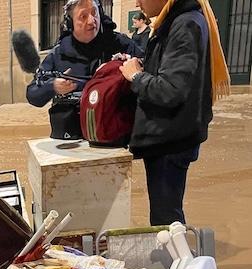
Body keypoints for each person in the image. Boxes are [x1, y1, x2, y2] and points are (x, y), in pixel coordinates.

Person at [120, 0, 230, 225]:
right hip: (171, 135)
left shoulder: (184, 23)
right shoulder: (179, 19)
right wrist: (141, 65)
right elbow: (172, 72)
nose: (137, 2)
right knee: (165, 215)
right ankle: (175, 257)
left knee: (166, 220)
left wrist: (136, 76)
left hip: (171, 138)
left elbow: (171, 90)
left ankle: (177, 259)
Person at [27, 0, 141, 139]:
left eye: (95, 13)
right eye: (83, 16)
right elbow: (33, 94)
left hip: (112, 137)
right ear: (70, 22)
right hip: (71, 138)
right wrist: (53, 86)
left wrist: (130, 66)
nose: (92, 20)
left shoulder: (120, 44)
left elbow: (149, 70)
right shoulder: (58, 54)